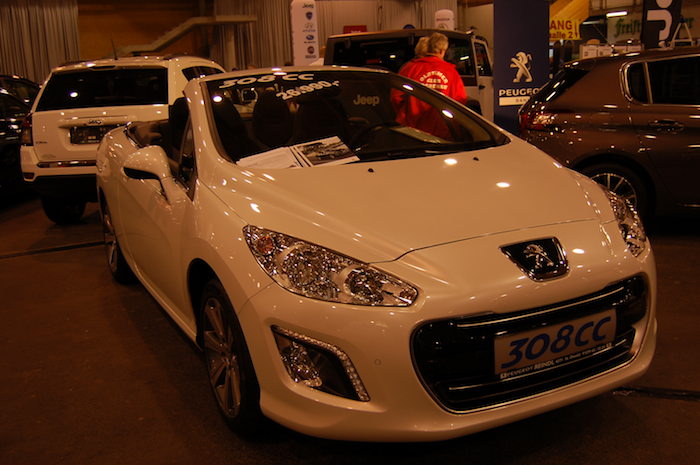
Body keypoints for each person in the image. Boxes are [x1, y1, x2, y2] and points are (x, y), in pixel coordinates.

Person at [393, 32, 467, 139]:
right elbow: (460, 100)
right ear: (442, 51)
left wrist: (405, 116)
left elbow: (396, 97)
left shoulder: (409, 69)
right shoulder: (451, 72)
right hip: (442, 132)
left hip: (412, 132)